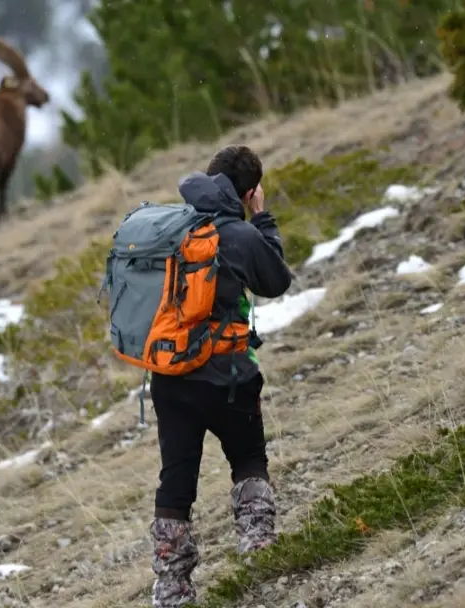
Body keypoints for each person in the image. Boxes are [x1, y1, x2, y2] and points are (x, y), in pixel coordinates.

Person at [148, 145, 293, 608]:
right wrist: (262, 217)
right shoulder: (240, 234)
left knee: (175, 482)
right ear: (248, 192)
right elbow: (276, 281)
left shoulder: (169, 229)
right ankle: (259, 548)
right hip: (228, 375)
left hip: (170, 378)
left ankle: (172, 588)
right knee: (248, 459)